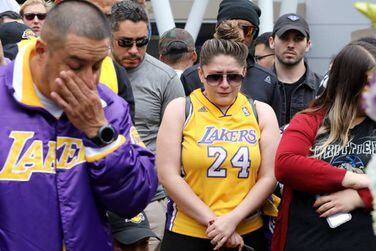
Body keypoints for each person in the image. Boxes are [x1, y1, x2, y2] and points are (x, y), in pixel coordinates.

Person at [0, 1, 158, 250]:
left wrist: (101, 135)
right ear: (41, 51)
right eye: (75, 66)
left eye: (96, 66)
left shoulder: (109, 106)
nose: (88, 80)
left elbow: (134, 200)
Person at [157, 38, 280, 251]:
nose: (224, 84)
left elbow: (269, 176)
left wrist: (232, 220)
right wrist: (216, 223)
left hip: (246, 231)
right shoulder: (180, 109)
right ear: (201, 74)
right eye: (215, 77)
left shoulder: (261, 112)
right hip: (188, 232)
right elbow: (168, 175)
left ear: (244, 72)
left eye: (233, 77)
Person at [272, 41, 376, 251]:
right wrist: (355, 179)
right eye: (371, 84)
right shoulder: (309, 120)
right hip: (308, 240)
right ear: (348, 84)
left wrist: (361, 197)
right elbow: (286, 165)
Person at [110, 2, 185, 250]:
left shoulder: (165, 78)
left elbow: (180, 143)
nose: (134, 50)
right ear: (109, 35)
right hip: (98, 195)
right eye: (125, 42)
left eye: (142, 42)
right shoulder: (91, 71)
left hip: (151, 198)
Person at [180, 0, 278, 116]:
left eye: (247, 30)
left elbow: (277, 125)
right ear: (201, 74)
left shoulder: (267, 79)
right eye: (214, 77)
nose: (239, 34)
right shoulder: (191, 77)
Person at [269, 13, 323, 127]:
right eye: (284, 37)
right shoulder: (258, 85)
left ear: (308, 45)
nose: (291, 45)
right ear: (272, 42)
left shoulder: (323, 88)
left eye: (298, 39)